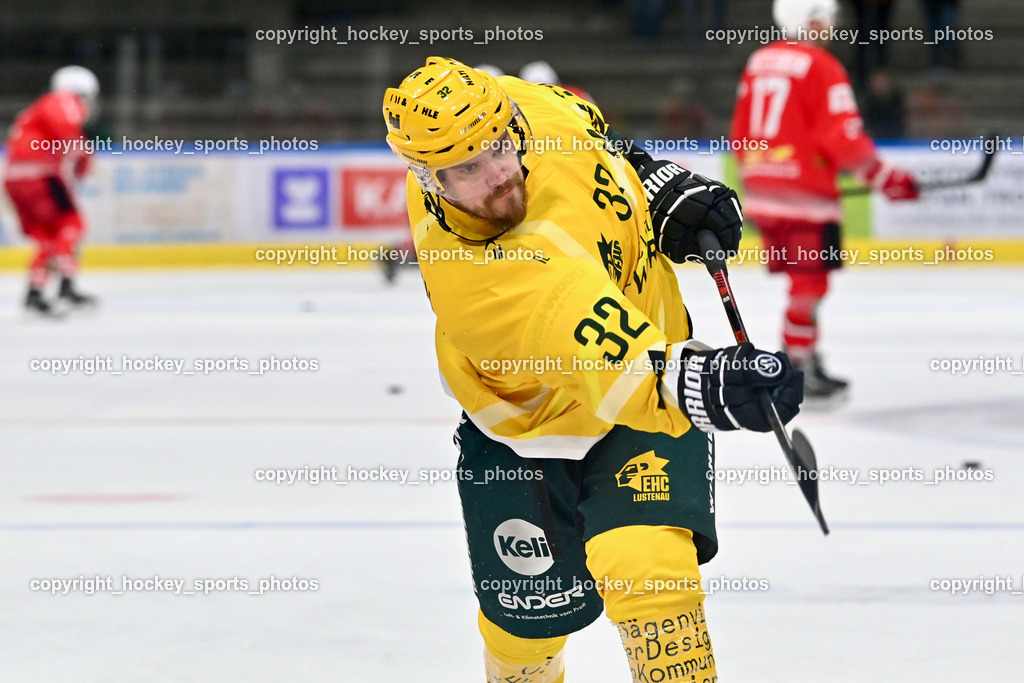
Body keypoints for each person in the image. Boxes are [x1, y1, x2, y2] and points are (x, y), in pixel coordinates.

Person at [384, 57, 804, 682]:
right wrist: (708, 384)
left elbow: (604, 146)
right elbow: (617, 364)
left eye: (500, 148)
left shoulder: (527, 106)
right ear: (426, 177)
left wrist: (660, 186)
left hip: (643, 403)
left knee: (652, 578)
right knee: (527, 630)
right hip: (529, 427)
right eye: (466, 170)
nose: (499, 175)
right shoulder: (480, 279)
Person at [730, 0, 920, 404]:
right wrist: (886, 178)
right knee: (810, 281)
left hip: (763, 190)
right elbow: (842, 136)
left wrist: (767, 175)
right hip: (803, 198)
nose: (830, 29)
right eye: (827, 21)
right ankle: (795, 369)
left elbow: (740, 133)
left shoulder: (759, 60)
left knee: (804, 281)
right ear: (811, 19)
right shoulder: (821, 65)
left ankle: (803, 358)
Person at [4, 65, 99, 316]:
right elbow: (67, 132)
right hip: (39, 175)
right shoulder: (62, 100)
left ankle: (35, 293)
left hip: (16, 178)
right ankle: (66, 286)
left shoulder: (38, 108)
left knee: (47, 237)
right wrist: (84, 158)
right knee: (71, 224)